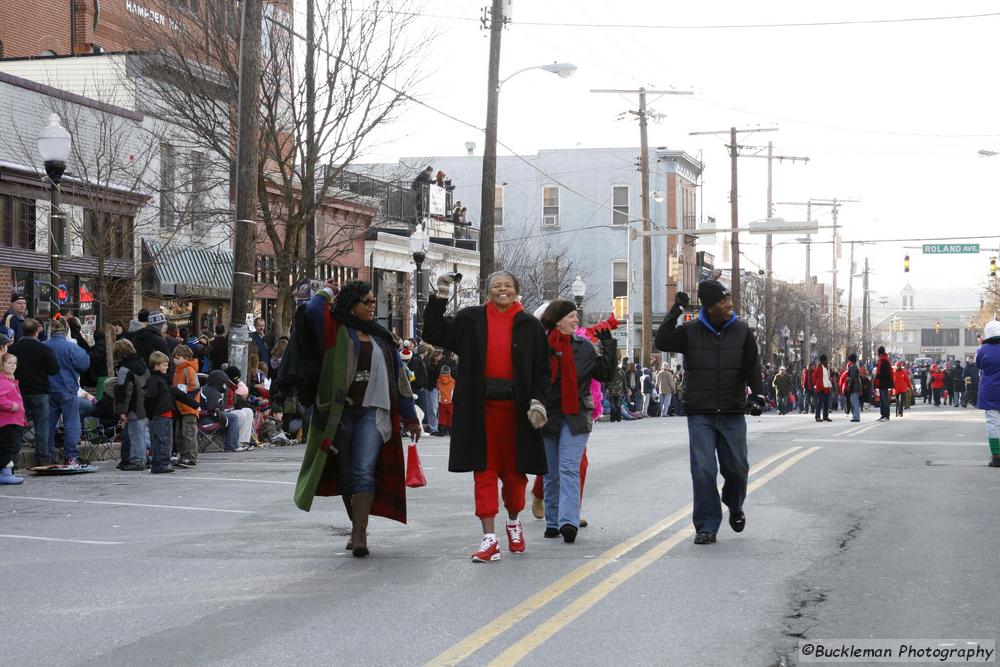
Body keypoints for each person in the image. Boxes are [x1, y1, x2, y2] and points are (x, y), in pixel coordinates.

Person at [422, 270, 549, 562]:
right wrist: (440, 297)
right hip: (480, 410)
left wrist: (539, 403)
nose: (502, 290)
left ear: (516, 291)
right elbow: (434, 333)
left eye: (507, 285)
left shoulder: (530, 326)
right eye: (496, 286)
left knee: (516, 478)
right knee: (484, 471)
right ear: (487, 291)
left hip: (517, 413)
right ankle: (489, 538)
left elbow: (543, 371)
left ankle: (514, 522)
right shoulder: (471, 319)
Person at [293, 280, 421, 558]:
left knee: (363, 469)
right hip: (339, 413)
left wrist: (411, 416)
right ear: (353, 304)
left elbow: (399, 378)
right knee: (348, 474)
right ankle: (356, 526)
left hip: (374, 411)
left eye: (374, 301)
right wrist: (328, 290)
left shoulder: (381, 336)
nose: (373, 306)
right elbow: (314, 309)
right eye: (368, 302)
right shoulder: (335, 329)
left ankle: (359, 533)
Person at [654, 280, 764, 546]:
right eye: (723, 301)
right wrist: (676, 309)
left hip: (732, 410)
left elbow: (752, 365)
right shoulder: (690, 331)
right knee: (703, 470)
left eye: (729, 299)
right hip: (700, 411)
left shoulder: (741, 331)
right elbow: (663, 340)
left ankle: (734, 504)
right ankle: (706, 526)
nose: (730, 304)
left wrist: (758, 395)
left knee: (737, 469)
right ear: (710, 307)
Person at [538, 299, 616, 543]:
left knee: (569, 467)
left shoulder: (584, 346)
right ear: (556, 319)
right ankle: (552, 521)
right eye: (570, 316)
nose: (575, 320)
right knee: (551, 473)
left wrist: (608, 344)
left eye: (576, 316)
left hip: (577, 415)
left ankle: (568, 522)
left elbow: (605, 375)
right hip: (548, 415)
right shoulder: (540, 347)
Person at [8, 319, 58, 465]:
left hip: (18, 392)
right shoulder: (44, 349)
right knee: (42, 426)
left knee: (17, 426)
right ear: (37, 331)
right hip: (40, 391)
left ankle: (13, 460)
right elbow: (54, 370)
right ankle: (43, 459)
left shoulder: (13, 349)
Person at [44, 318, 91, 467]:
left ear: (50, 330)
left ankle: (47, 455)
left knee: (48, 424)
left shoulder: (43, 346)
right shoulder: (72, 347)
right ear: (65, 331)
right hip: (67, 388)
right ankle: (71, 456)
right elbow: (84, 364)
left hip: (48, 389)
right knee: (71, 422)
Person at [113, 339, 151, 471]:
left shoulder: (124, 369)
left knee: (135, 434)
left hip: (134, 406)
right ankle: (143, 457)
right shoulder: (143, 364)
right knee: (142, 434)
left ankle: (138, 460)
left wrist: (122, 411)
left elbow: (124, 391)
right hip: (145, 403)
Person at [172, 344, 200, 468]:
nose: (174, 359)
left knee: (188, 433)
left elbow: (194, 387)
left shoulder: (188, 369)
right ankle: (183, 455)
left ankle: (191, 457)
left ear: (185, 357)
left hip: (188, 407)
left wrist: (186, 398)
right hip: (180, 408)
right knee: (179, 434)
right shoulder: (177, 371)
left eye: (177, 357)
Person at [976, 321, 1000, 467]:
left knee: (993, 424)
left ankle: (997, 456)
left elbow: (979, 365)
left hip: (990, 390)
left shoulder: (983, 349)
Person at [0, 353, 26, 484]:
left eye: (14, 363)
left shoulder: (10, 380)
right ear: (2, 364)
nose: (13, 366)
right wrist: (12, 406)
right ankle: (5, 473)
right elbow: (1, 399)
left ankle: (7, 472)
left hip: (15, 420)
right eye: (9, 363)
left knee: (12, 447)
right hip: (8, 421)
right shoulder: (3, 381)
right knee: (9, 447)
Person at [874, 346, 894, 421]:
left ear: (879, 353)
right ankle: (883, 415)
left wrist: (879, 376)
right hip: (882, 383)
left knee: (885, 400)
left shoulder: (884, 361)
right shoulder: (883, 360)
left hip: (883, 383)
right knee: (882, 400)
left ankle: (886, 415)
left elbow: (885, 373)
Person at [813, 355, 833, 422]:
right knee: (820, 403)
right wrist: (817, 384)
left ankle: (825, 416)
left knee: (826, 403)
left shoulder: (827, 368)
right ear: (823, 361)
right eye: (826, 360)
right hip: (820, 388)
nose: (827, 361)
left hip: (827, 388)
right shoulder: (819, 368)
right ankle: (817, 416)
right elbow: (815, 377)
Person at [437, 365, 455, 436]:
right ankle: (451, 430)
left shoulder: (438, 381)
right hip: (450, 401)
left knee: (442, 416)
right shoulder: (453, 381)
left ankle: (442, 430)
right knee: (450, 416)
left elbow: (437, 388)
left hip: (441, 401)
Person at [845, 354, 862, 422]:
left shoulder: (852, 367)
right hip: (857, 386)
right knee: (855, 401)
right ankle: (856, 416)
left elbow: (851, 378)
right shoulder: (856, 367)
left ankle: (856, 417)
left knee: (854, 402)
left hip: (853, 387)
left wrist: (849, 386)